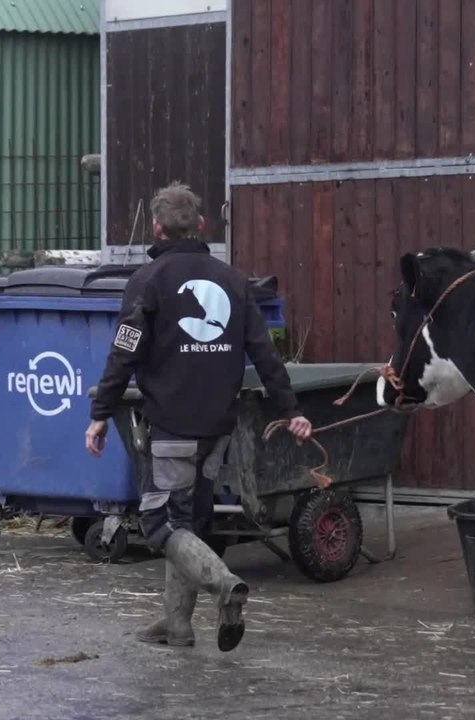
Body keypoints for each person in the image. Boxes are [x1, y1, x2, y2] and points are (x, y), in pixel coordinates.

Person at [85, 182, 312, 652]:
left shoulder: (146, 281)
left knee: (160, 526)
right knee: (185, 522)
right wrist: (290, 409)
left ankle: (224, 584)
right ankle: (177, 625)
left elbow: (123, 353)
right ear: (202, 225)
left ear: (156, 227)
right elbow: (264, 354)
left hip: (170, 426)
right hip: (217, 430)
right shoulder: (233, 280)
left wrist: (100, 413)